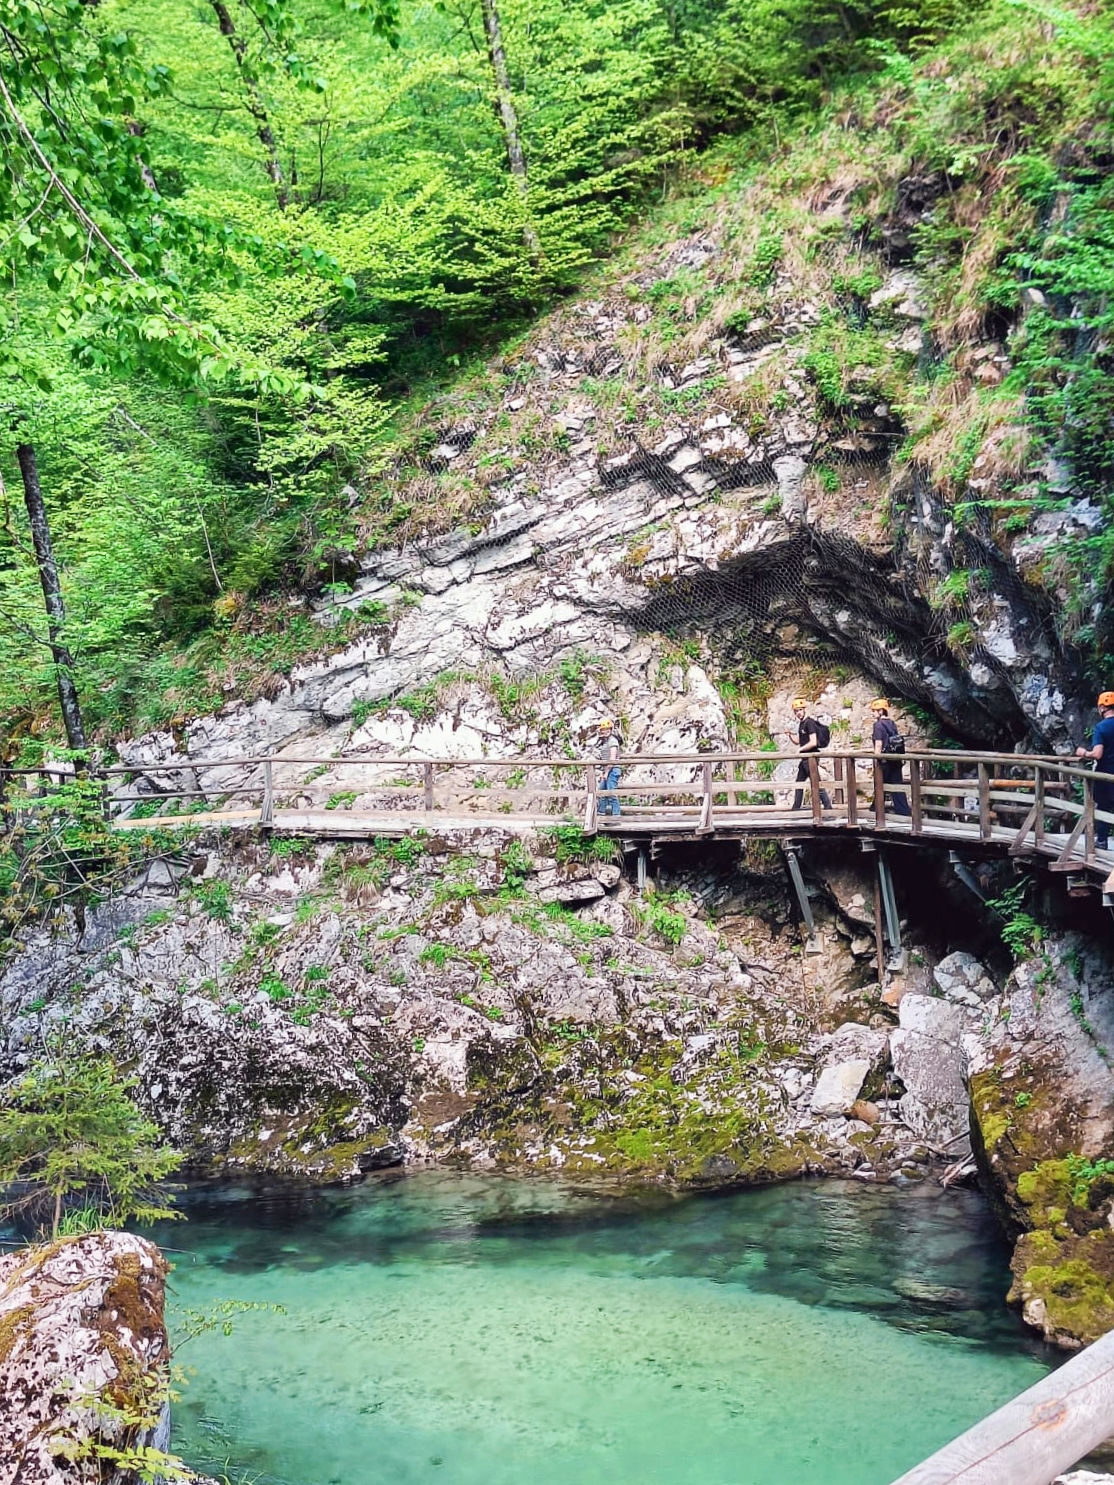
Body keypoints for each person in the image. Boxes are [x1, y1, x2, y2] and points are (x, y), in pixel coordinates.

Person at [1075, 691, 1114, 851]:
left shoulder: (1101, 728)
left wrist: (1084, 753)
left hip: (1106, 773)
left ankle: (1102, 840)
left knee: (1104, 806)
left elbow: (1097, 754)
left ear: (1102, 707)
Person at [788, 696, 832, 812]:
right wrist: (790, 735)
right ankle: (796, 808)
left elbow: (813, 742)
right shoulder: (802, 724)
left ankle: (828, 807)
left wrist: (800, 750)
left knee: (816, 782)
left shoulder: (810, 723)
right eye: (796, 711)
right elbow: (799, 740)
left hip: (810, 758)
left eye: (800, 710)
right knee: (799, 783)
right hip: (805, 759)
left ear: (804, 709)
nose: (798, 713)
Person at [870, 698, 910, 816]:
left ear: (881, 711)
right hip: (895, 760)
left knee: (880, 785)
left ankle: (876, 811)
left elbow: (878, 744)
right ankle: (903, 812)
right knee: (897, 786)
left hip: (885, 762)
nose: (872, 713)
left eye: (874, 710)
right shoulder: (892, 723)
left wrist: (876, 760)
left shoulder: (878, 725)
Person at [595, 716, 622, 817]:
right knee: (602, 793)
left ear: (611, 729)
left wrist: (606, 772)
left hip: (613, 769)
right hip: (607, 769)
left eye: (607, 729)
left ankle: (615, 816)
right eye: (603, 729)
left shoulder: (612, 741)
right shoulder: (606, 741)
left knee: (611, 793)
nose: (605, 731)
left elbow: (612, 758)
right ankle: (601, 814)